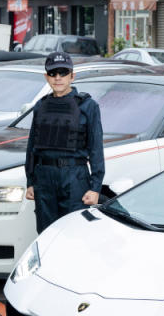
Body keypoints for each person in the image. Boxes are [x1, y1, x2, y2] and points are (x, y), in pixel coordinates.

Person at [24, 52, 104, 233]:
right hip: (44, 178)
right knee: (46, 233)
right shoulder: (40, 105)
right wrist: (30, 181)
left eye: (63, 73)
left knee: (74, 232)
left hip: (74, 177)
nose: (58, 78)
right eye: (53, 73)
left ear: (72, 76)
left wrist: (95, 187)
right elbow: (32, 147)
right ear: (46, 77)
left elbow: (96, 148)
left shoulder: (88, 106)